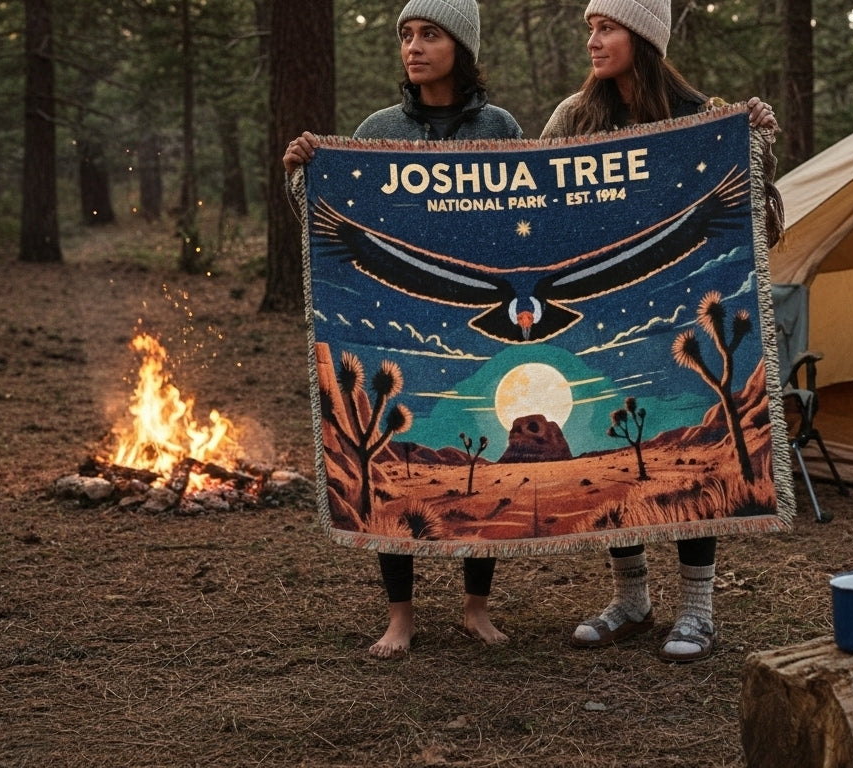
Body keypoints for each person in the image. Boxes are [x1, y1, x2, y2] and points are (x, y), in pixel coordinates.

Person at [283, 0, 524, 660]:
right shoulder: (378, 127)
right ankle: (400, 616)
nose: (414, 48)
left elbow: (532, 213)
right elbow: (336, 219)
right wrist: (302, 174)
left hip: (476, 331)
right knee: (392, 464)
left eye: (430, 35)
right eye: (407, 36)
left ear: (462, 47)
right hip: (396, 329)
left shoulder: (499, 127)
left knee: (480, 462)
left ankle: (476, 607)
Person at [540, 0, 779, 663]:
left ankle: (697, 609)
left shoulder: (704, 119)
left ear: (642, 37)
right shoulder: (574, 119)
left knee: (688, 460)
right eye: (590, 27)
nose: (593, 39)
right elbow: (533, 202)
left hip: (679, 324)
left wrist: (755, 141)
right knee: (613, 456)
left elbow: (760, 219)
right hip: (601, 322)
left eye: (607, 27)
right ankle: (633, 600)